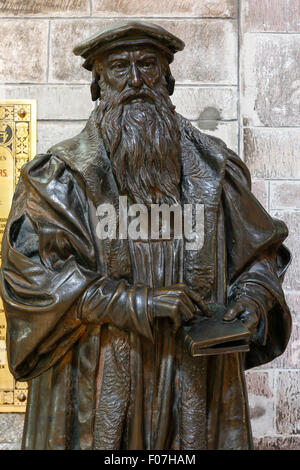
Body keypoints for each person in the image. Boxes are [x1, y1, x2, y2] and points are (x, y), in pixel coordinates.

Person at [0, 21, 291, 450]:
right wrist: (141, 302)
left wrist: (250, 303)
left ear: (167, 79)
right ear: (98, 83)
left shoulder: (215, 170)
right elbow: (33, 280)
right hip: (95, 376)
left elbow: (257, 259)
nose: (136, 81)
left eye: (148, 66)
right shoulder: (58, 179)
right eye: (120, 67)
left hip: (194, 375)